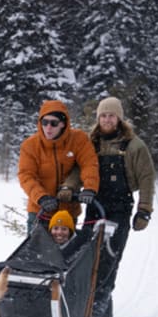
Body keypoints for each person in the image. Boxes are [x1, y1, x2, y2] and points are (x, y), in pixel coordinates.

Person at [88, 96, 155, 317]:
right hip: (94, 206)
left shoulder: (135, 145)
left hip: (120, 207)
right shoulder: (90, 142)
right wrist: (69, 188)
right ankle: (93, 303)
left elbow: (147, 178)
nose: (107, 119)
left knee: (110, 256)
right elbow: (79, 169)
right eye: (103, 115)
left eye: (111, 115)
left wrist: (144, 210)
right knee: (88, 255)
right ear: (98, 119)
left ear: (119, 118)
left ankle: (100, 303)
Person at [18, 99, 99, 234]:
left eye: (54, 123)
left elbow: (89, 164)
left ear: (63, 124)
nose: (48, 127)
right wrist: (41, 197)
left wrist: (90, 187)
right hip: (40, 210)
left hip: (67, 211)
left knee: (67, 253)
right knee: (36, 253)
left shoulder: (78, 139)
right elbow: (26, 176)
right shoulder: (30, 145)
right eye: (45, 122)